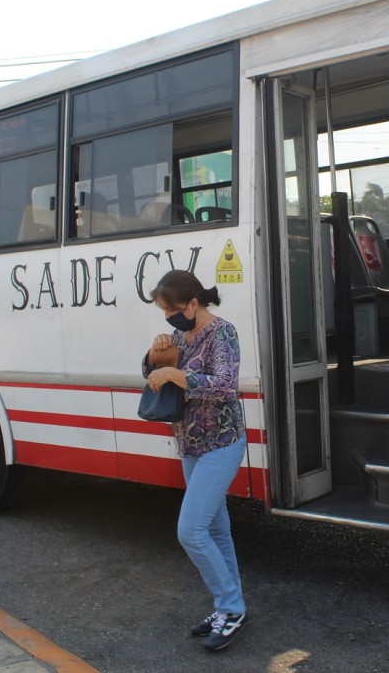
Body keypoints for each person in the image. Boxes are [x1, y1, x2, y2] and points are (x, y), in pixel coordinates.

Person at [143, 269, 249, 652]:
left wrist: (178, 373)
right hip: (190, 445)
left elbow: (225, 385)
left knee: (191, 531)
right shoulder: (177, 336)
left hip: (221, 444)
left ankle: (231, 608)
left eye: (171, 309)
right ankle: (228, 606)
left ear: (193, 303)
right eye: (163, 311)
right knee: (216, 530)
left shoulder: (223, 332)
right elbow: (154, 376)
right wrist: (156, 357)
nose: (168, 317)